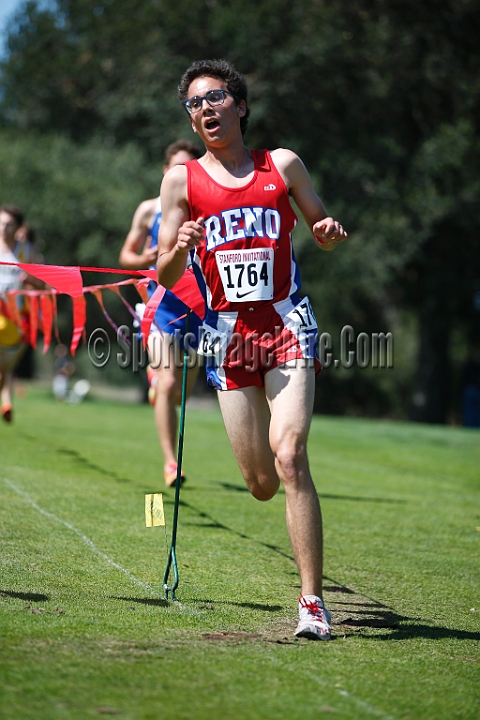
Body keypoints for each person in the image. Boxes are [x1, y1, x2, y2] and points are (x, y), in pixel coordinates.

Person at [157, 60, 347, 640]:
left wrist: (326, 230)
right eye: (194, 103)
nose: (205, 109)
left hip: (287, 325)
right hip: (227, 338)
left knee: (290, 456)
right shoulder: (181, 180)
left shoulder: (280, 166)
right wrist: (179, 246)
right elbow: (163, 273)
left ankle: (312, 603)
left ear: (239, 106)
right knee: (262, 483)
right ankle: (270, 468)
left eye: (215, 98)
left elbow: (320, 222)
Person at [119, 140, 203, 486]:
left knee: (182, 390)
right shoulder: (148, 210)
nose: (181, 174)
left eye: (189, 168)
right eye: (176, 167)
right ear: (165, 170)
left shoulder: (207, 204)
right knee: (168, 382)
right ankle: (171, 464)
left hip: (200, 308)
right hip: (162, 305)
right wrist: (149, 257)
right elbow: (126, 256)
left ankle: (160, 391)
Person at [0, 205, 43, 422]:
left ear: (17, 227)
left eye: (8, 225)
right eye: (1, 223)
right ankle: (6, 401)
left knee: (4, 369)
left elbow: (45, 286)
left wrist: (32, 280)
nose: (3, 229)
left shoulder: (27, 252)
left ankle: (6, 399)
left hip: (16, 317)